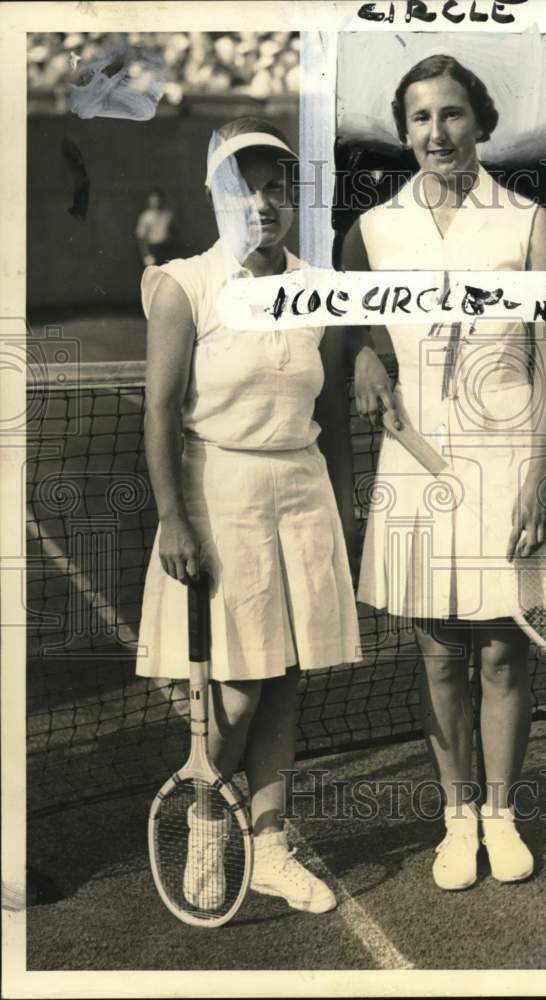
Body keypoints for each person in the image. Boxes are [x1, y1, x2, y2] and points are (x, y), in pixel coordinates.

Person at [340, 55, 546, 890]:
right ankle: (457, 818)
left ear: (480, 122)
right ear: (403, 132)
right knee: (439, 653)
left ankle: (503, 816)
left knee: (506, 650)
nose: (436, 134)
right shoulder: (373, 230)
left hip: (511, 455)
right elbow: (356, 326)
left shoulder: (528, 222)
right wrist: (367, 354)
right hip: (416, 458)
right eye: (419, 119)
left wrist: (538, 479)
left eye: (451, 115)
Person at [137, 117, 362, 914]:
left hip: (301, 496)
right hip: (218, 495)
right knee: (235, 692)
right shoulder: (182, 286)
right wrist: (173, 519)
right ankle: (206, 825)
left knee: (288, 682)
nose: (261, 203)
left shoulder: (315, 288)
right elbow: (159, 413)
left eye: (275, 187)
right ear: (215, 193)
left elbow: (331, 416)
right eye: (243, 186)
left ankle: (270, 845)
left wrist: (341, 513)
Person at [135, 189, 174, 266]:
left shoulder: (168, 215)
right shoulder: (145, 216)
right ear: (149, 202)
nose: (156, 203)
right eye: (153, 201)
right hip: (152, 250)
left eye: (158, 200)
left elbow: (172, 232)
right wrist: (146, 255)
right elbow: (141, 239)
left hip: (166, 249)